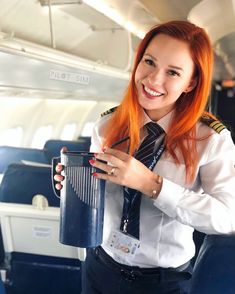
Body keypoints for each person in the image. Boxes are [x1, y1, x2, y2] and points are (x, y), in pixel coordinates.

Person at [54, 20, 235, 294]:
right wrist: (72, 185)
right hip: (100, 267)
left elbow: (226, 219)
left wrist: (152, 184)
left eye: (173, 72)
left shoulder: (210, 139)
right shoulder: (107, 125)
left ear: (191, 83)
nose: (153, 80)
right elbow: (97, 194)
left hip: (164, 282)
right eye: (149, 62)